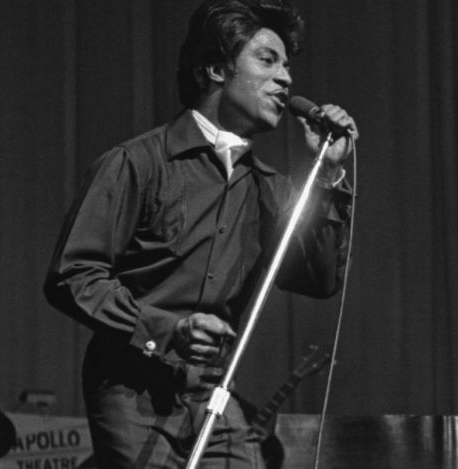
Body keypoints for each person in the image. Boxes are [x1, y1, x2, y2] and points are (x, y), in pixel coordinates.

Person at [43, 0, 358, 466]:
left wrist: (328, 173)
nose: (286, 79)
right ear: (214, 69)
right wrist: (169, 329)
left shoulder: (269, 188)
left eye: (287, 66)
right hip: (133, 389)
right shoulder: (138, 163)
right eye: (267, 60)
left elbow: (319, 278)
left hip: (212, 390)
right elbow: (73, 276)